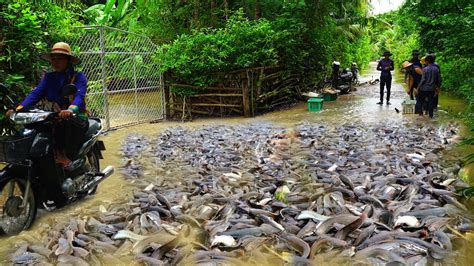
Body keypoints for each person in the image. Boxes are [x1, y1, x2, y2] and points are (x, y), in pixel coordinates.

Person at [7, 42, 88, 167]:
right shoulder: (49, 77)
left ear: (68, 60)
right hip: (53, 114)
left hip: (75, 117)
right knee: (35, 125)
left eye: (60, 59)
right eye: (53, 59)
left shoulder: (78, 77)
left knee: (60, 123)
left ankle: (62, 155)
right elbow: (36, 94)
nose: (55, 62)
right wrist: (18, 109)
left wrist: (70, 110)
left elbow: (79, 96)